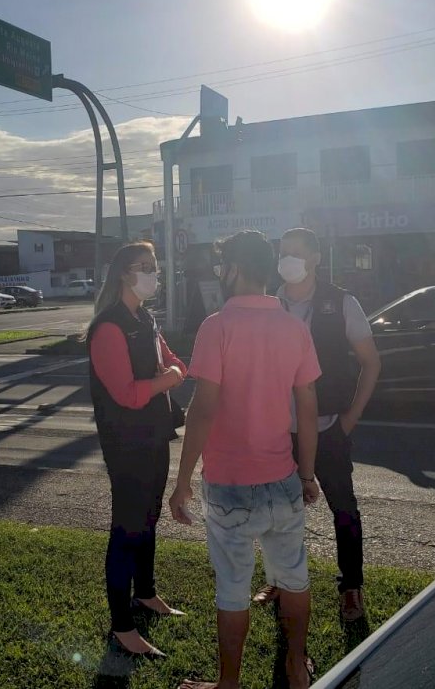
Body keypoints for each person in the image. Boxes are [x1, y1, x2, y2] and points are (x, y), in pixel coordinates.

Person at [169, 230, 322, 689]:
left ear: (233, 269)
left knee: (233, 588)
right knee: (294, 578)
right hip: (283, 478)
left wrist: (181, 483)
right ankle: (296, 667)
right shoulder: (294, 327)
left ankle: (229, 683)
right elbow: (309, 409)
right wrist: (308, 473)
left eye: (222, 265)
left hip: (230, 484)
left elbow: (203, 408)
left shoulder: (216, 326)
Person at [253, 227, 382, 623]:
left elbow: (370, 362)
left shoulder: (341, 302)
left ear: (315, 258)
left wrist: (351, 417)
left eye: (296, 252)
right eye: (282, 252)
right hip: (279, 430)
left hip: (328, 427)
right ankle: (280, 578)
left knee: (343, 507)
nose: (287, 260)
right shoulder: (267, 304)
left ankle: (351, 589)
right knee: (277, 509)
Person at [87, 241, 187, 659]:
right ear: (123, 274)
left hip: (155, 435)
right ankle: (122, 626)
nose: (153, 275)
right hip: (126, 443)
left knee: (148, 518)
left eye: (155, 267)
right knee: (126, 527)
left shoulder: (144, 318)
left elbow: (176, 361)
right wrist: (169, 378)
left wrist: (173, 372)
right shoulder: (108, 327)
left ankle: (145, 594)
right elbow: (128, 394)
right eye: (144, 267)